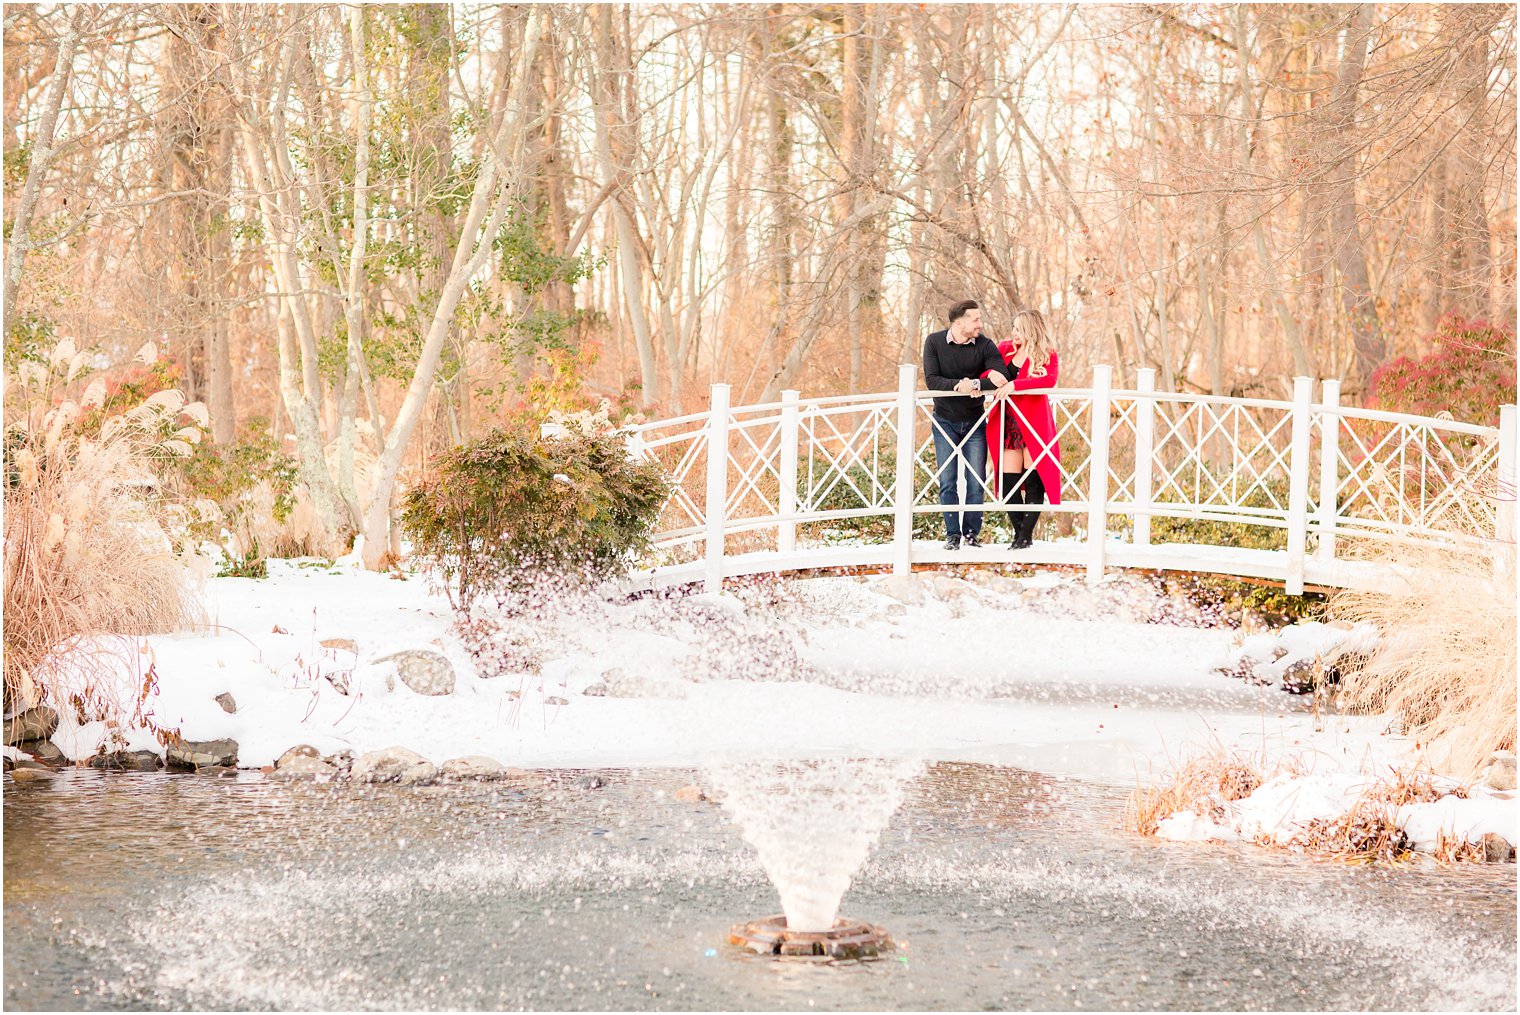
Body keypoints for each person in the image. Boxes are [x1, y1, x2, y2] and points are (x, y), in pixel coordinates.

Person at [922, 300, 1008, 550]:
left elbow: (1001, 375)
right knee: (948, 479)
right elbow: (932, 380)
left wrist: (979, 384)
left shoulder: (985, 345)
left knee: (976, 479)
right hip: (944, 421)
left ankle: (971, 535)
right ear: (959, 323)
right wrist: (959, 385)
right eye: (975, 320)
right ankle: (953, 535)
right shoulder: (934, 342)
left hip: (975, 422)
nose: (980, 324)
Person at [984, 307, 1061, 549]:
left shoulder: (1047, 354)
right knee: (1009, 484)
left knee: (1034, 481)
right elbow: (987, 369)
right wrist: (991, 378)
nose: (1013, 332)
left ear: (1029, 330)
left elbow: (1049, 380)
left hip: (1034, 424)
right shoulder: (1006, 348)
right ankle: (1021, 535)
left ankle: (1024, 537)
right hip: (1009, 424)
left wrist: (1016, 385)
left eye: (1018, 328)